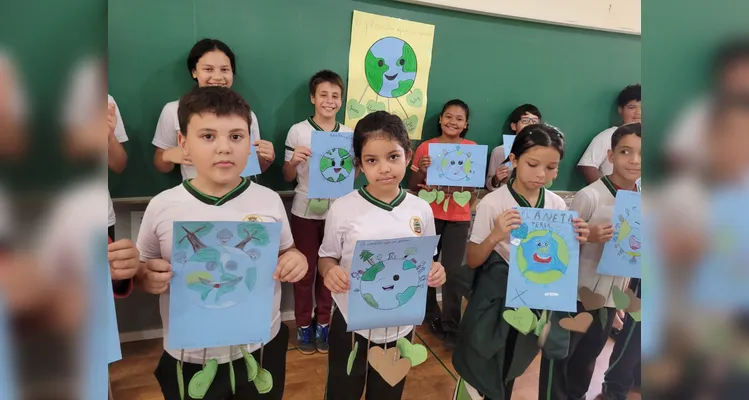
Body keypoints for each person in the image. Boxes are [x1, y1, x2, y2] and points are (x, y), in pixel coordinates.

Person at [136, 86, 308, 399]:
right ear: (183, 143)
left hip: (260, 346)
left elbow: (288, 250)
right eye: (208, 136)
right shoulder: (163, 206)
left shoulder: (269, 201)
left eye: (236, 136)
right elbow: (144, 265)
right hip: (191, 353)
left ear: (250, 144)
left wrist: (297, 260)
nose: (224, 148)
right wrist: (146, 276)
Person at [454, 124, 589, 400]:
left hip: (533, 297)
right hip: (495, 298)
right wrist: (495, 236)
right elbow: (473, 259)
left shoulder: (556, 204)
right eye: (533, 164)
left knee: (514, 360)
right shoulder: (494, 203)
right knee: (485, 361)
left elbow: (558, 258)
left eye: (552, 168)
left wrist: (576, 239)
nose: (542, 174)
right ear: (514, 160)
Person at [318, 111, 446, 400]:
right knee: (342, 390)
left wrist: (437, 270)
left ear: (408, 156)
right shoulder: (343, 208)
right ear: (360, 165)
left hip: (400, 325)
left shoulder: (421, 210)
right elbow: (326, 257)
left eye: (393, 156)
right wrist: (329, 271)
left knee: (388, 392)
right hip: (351, 323)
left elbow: (428, 260)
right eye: (372, 160)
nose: (384, 168)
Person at [540, 123, 641, 400]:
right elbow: (558, 246)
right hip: (574, 297)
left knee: (587, 361)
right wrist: (588, 236)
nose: (634, 160)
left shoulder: (642, 200)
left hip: (609, 299)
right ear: (610, 156)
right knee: (559, 357)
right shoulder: (590, 195)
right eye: (625, 152)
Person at [282, 70, 353, 354]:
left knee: (331, 270)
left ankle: (324, 321)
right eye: (323, 95)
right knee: (304, 271)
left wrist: (357, 167)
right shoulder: (298, 131)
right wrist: (294, 160)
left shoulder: (349, 133)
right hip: (304, 212)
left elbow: (353, 174)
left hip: (338, 213)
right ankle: (303, 325)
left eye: (335, 96)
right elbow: (287, 176)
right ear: (313, 98)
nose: (329, 100)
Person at [152, 38, 274, 180]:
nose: (217, 77)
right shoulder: (173, 110)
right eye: (208, 69)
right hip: (197, 196)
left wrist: (266, 158)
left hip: (240, 194)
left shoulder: (245, 113)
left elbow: (252, 168)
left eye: (224, 69)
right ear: (194, 72)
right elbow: (160, 164)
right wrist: (168, 155)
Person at [407, 99, 474, 348]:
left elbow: (473, 188)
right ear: (440, 119)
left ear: (465, 124)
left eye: (458, 118)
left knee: (453, 272)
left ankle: (451, 324)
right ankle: (429, 314)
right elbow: (413, 187)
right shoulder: (426, 147)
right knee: (426, 265)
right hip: (429, 216)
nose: (452, 122)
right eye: (448, 116)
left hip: (458, 218)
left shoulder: (471, 149)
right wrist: (421, 170)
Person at [577, 84, 641, 184]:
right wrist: (604, 190)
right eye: (631, 107)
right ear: (620, 109)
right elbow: (587, 165)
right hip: (616, 195)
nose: (638, 112)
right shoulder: (609, 136)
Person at [486, 104, 542, 191]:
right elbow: (489, 184)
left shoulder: (543, 152)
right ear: (513, 126)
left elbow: (546, 184)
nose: (530, 125)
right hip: (504, 199)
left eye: (534, 122)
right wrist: (496, 179)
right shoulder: (499, 151)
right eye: (525, 121)